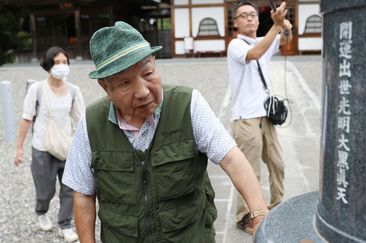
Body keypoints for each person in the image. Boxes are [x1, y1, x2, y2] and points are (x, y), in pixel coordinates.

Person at [62, 21, 268, 243]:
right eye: (124, 83)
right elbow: (83, 194)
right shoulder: (91, 124)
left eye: (148, 73)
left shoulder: (188, 105)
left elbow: (232, 158)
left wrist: (259, 215)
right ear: (105, 87)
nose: (142, 91)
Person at [227, 0, 293, 234]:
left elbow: (284, 39)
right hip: (245, 118)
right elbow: (254, 54)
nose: (249, 18)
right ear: (236, 23)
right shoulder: (236, 45)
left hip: (265, 115)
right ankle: (245, 216)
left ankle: (274, 207)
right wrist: (275, 27)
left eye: (252, 14)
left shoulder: (262, 41)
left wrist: (285, 25)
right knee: (249, 170)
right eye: (243, 15)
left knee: (278, 164)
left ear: (258, 18)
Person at [14, 46, 85, 242]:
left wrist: (86, 148)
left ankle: (65, 223)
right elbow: (26, 118)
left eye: (64, 62)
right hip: (42, 149)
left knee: (69, 188)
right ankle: (41, 211)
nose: (62, 66)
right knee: (45, 190)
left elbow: (81, 121)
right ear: (48, 65)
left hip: (66, 147)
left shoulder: (73, 91)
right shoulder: (37, 89)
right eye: (57, 62)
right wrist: (19, 147)